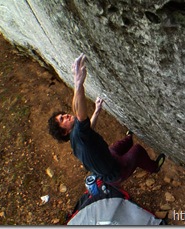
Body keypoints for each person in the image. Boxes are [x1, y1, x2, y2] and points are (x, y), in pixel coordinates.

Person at [47, 53, 165, 186]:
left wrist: (96, 111)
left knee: (122, 144)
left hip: (108, 158)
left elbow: (85, 123)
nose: (66, 116)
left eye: (63, 115)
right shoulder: (79, 134)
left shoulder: (76, 139)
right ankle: (154, 167)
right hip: (116, 172)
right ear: (64, 132)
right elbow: (79, 113)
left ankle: (129, 138)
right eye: (62, 119)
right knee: (137, 150)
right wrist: (79, 83)